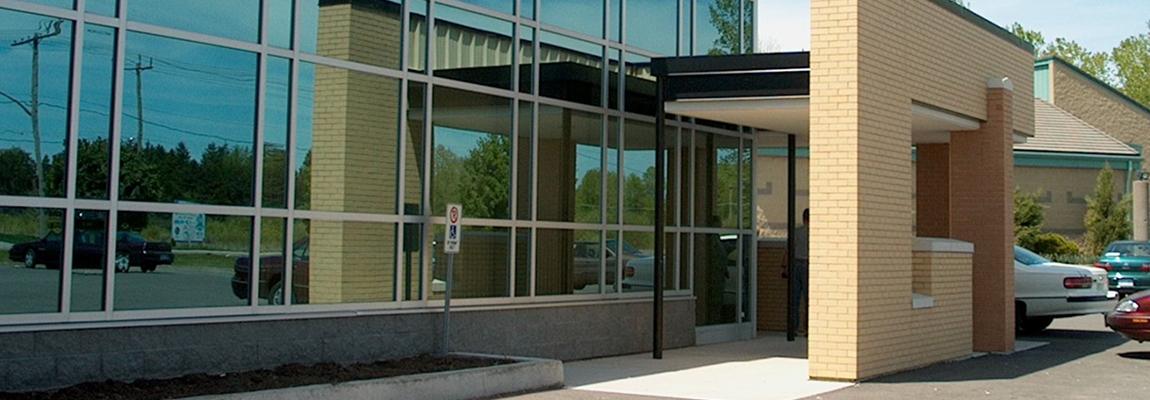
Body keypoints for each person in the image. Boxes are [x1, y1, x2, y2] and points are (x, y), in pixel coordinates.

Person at [783, 209, 809, 335]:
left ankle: (793, 328)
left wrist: (784, 266)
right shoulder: (815, 233)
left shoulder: (796, 232)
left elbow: (788, 250)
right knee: (809, 300)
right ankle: (808, 328)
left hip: (795, 264)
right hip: (808, 265)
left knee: (794, 298)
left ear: (803, 218)